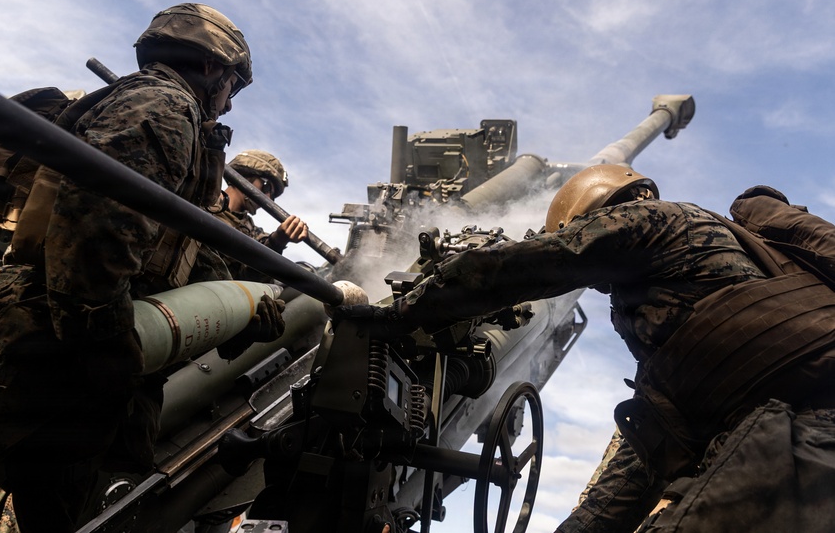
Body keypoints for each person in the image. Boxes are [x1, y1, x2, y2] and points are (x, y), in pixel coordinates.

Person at [0, 2, 284, 533]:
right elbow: (98, 223)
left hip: (72, 362)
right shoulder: (163, 106)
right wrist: (105, 339)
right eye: (232, 84)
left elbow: (169, 251)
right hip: (32, 338)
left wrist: (241, 308)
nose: (229, 101)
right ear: (211, 66)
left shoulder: (170, 117)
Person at [342, 164, 835, 532]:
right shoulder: (698, 336)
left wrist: (397, 316)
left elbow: (520, 267)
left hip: (798, 448)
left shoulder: (660, 222)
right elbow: (631, 477)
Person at [204, 149, 309, 282]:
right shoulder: (203, 198)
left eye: (273, 195)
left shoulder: (254, 233)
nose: (268, 197)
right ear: (246, 175)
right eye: (266, 187)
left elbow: (248, 277)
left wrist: (277, 242)